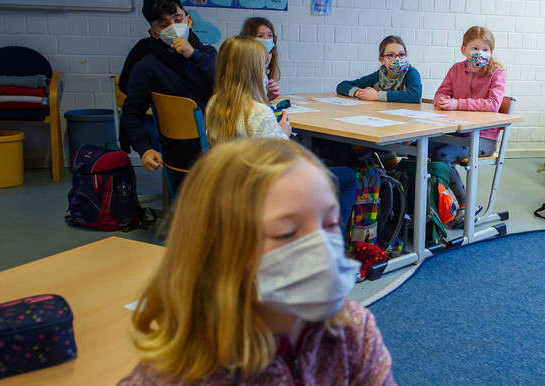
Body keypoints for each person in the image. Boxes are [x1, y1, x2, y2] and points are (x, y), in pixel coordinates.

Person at [104, 138, 410, 386]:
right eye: (287, 233)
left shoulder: (353, 333)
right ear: (218, 254)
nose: (321, 247)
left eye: (330, 223)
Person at [205, 37, 356, 233]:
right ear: (254, 73)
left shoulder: (214, 104)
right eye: (264, 69)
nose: (266, 74)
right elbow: (279, 166)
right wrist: (284, 134)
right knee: (349, 177)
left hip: (232, 190)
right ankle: (331, 244)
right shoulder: (259, 113)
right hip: (267, 195)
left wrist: (265, 101)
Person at [120, 0, 217, 185]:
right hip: (180, 150)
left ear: (188, 21)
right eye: (164, 25)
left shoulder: (208, 54)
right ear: (154, 33)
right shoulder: (148, 66)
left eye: (178, 19)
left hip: (217, 140)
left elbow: (223, 87)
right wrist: (145, 148)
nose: (173, 27)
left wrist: (193, 55)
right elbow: (131, 112)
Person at [430, 26, 507, 225]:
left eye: (485, 49)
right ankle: (429, 202)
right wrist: (441, 100)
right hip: (459, 134)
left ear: (491, 52)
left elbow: (493, 104)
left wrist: (458, 103)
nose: (480, 53)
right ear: (464, 50)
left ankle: (466, 204)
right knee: (419, 146)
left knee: (441, 155)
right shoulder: (457, 69)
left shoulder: (496, 73)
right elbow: (441, 92)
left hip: (484, 138)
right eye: (475, 48)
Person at [334, 35, 420, 172]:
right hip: (381, 124)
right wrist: (358, 92)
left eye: (401, 54)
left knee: (382, 144)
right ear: (382, 60)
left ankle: (391, 173)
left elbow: (415, 95)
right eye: (391, 55)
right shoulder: (379, 76)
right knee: (355, 139)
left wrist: (377, 95)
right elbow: (342, 86)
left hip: (405, 128)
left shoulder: (411, 73)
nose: (397, 59)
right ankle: (374, 170)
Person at [239, 16, 282, 103]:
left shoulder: (267, 64)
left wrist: (268, 98)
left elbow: (259, 103)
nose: (266, 39)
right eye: (260, 36)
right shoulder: (244, 68)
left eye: (270, 35)